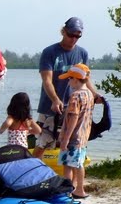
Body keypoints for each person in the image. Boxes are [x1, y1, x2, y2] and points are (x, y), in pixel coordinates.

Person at [35, 17, 102, 158]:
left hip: (74, 106)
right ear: (64, 32)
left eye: (78, 36)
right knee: (43, 142)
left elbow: (86, 79)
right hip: (51, 106)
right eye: (71, 35)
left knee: (70, 142)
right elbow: (47, 80)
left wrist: (95, 95)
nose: (74, 39)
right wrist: (55, 99)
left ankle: (67, 174)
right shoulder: (50, 52)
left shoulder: (82, 53)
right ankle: (31, 171)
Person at [57, 63, 94, 199]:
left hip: (73, 136)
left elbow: (73, 117)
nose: (69, 81)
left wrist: (65, 138)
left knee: (67, 165)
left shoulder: (75, 96)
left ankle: (68, 190)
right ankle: (78, 188)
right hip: (83, 136)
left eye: (70, 78)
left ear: (76, 79)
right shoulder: (89, 94)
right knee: (78, 163)